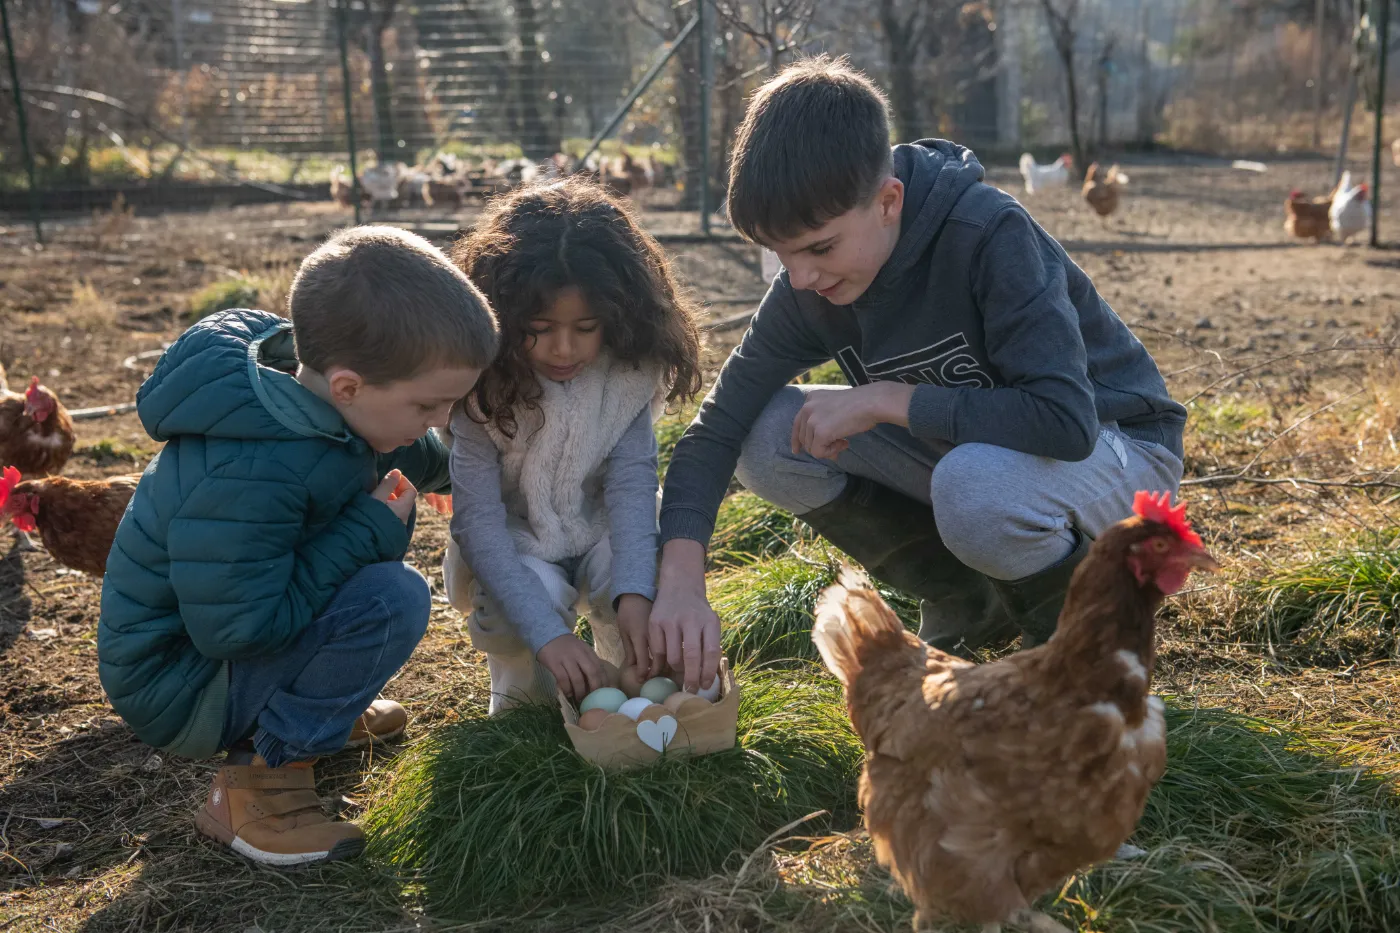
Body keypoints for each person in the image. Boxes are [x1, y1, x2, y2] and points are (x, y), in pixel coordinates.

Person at [649, 56, 1188, 693]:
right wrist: (680, 575)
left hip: (1121, 454)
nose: (799, 278)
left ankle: (1087, 642)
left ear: (888, 201)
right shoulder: (809, 284)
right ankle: (969, 599)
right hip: (982, 460)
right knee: (767, 435)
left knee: (974, 485)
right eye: (779, 253)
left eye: (819, 248)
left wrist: (887, 399)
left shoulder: (987, 234)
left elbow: (1065, 423)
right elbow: (717, 427)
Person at [98, 226, 499, 866]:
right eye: (429, 404)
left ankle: (313, 712)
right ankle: (258, 785)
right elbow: (239, 629)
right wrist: (367, 532)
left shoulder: (318, 400)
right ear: (348, 387)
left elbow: (404, 446)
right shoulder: (253, 473)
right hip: (184, 685)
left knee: (375, 590)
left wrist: (484, 470)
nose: (438, 421)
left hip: (220, 653)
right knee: (391, 600)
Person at [441, 178, 702, 713]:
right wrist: (548, 635)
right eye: (539, 328)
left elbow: (632, 487)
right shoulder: (481, 387)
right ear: (504, 315)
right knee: (512, 610)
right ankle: (521, 703)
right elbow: (479, 524)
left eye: (586, 327)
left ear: (618, 313)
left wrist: (634, 593)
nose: (563, 348)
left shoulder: (628, 375)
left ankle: (631, 678)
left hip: (603, 534)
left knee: (645, 581)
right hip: (517, 546)